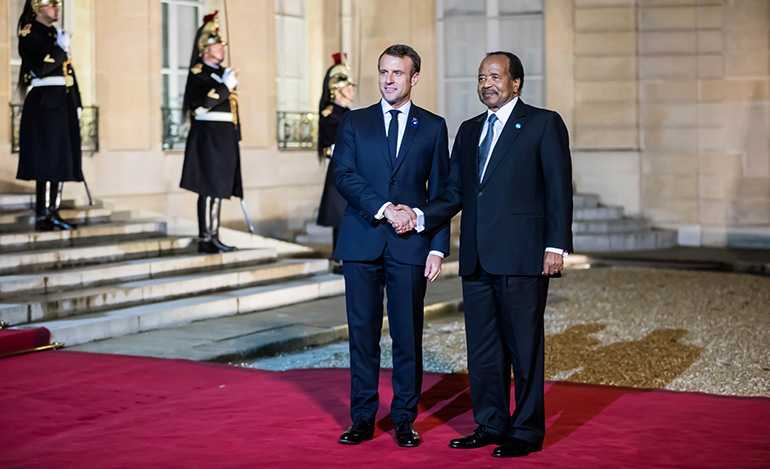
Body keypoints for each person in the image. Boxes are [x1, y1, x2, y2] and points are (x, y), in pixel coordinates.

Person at [396, 52, 573, 458]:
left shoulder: (544, 123)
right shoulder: (470, 129)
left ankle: (526, 431)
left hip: (523, 255)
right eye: (480, 78)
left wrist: (555, 245)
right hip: (476, 258)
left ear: (516, 83)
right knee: (483, 350)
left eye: (494, 76)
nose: (486, 84)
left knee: (523, 348)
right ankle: (491, 423)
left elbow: (559, 188)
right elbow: (455, 192)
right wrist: (420, 214)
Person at [333, 44, 450, 447]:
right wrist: (385, 208)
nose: (388, 79)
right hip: (362, 241)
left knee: (407, 335)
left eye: (397, 73)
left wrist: (437, 247)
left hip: (411, 247)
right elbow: (343, 176)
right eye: (383, 72)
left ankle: (404, 418)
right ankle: (363, 417)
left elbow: (443, 193)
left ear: (414, 78)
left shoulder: (434, 127)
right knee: (362, 335)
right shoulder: (355, 122)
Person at [16, 0, 83, 232]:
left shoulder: (56, 34)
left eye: (58, 4)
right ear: (37, 8)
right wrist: (60, 49)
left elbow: (69, 72)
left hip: (62, 101)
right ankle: (44, 214)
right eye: (51, 4)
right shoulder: (29, 33)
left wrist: (78, 102)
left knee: (62, 156)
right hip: (44, 103)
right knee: (47, 157)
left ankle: (54, 210)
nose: (57, 8)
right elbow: (40, 68)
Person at [180, 11, 243, 254]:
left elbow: (233, 109)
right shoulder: (199, 73)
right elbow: (202, 104)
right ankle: (206, 237)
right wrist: (225, 87)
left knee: (219, 188)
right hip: (208, 136)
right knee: (209, 187)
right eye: (218, 46)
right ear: (206, 49)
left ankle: (214, 234)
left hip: (224, 136)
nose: (222, 50)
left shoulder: (220, 73)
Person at [316, 54, 356, 272]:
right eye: (348, 87)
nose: (352, 91)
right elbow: (331, 145)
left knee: (348, 213)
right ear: (337, 90)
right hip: (340, 168)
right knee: (339, 214)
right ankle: (338, 258)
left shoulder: (349, 114)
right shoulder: (330, 114)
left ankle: (346, 255)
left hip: (352, 168)